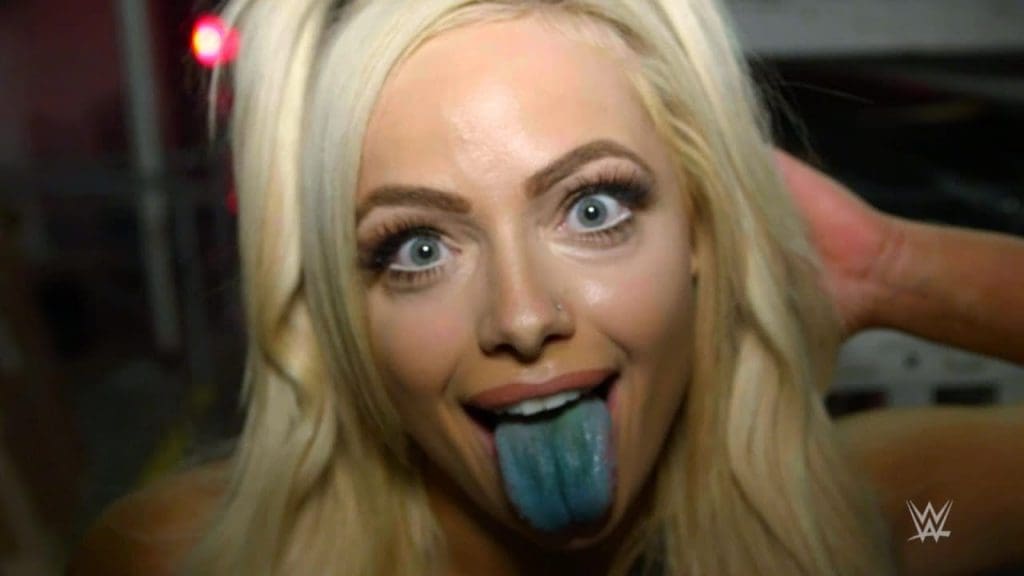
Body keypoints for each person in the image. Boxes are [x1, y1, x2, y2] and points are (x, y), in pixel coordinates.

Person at [69, 1, 1024, 575]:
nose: (523, 318)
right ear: (344, 314)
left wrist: (890, 267)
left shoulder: (862, 527)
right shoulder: (185, 562)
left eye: (594, 209)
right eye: (417, 249)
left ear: (700, 234)